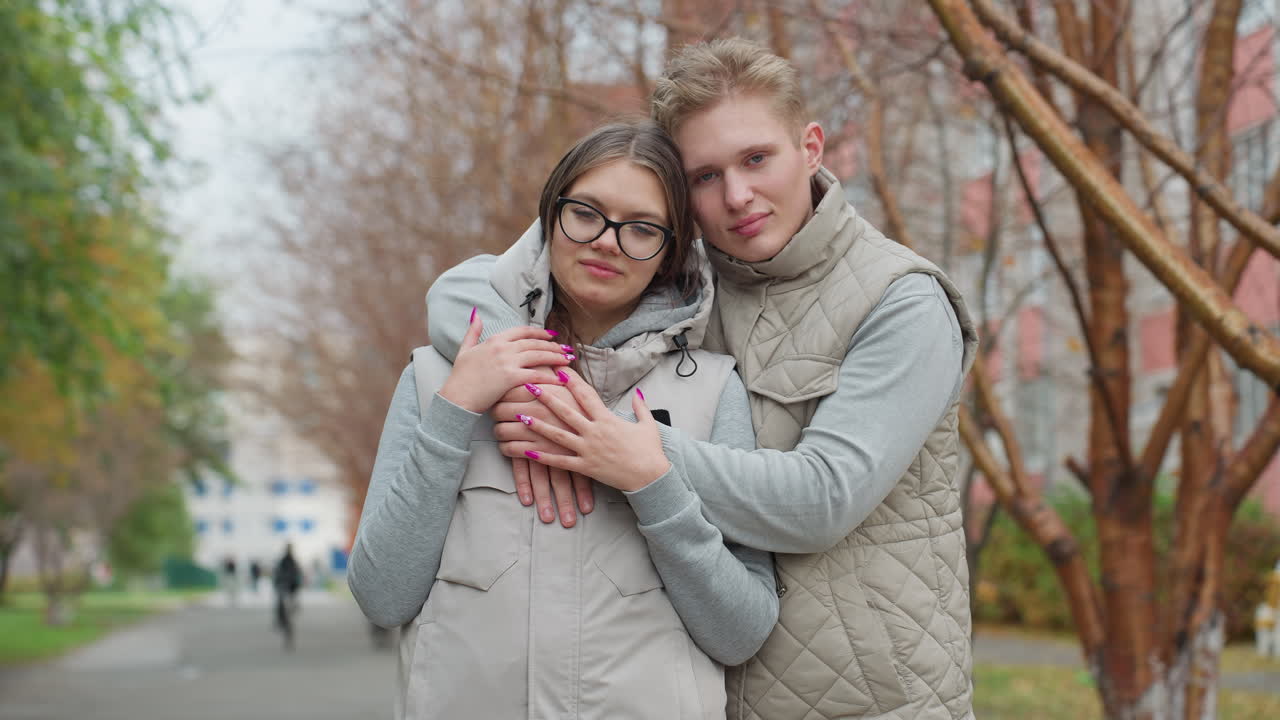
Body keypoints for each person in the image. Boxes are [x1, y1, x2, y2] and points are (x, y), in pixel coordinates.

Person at [425, 38, 978, 720]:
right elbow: (462, 291)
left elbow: (821, 500)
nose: (738, 196)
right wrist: (533, 390)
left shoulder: (902, 300)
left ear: (810, 147)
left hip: (870, 703)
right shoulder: (671, 273)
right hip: (704, 694)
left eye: (756, 159)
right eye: (705, 176)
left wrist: (619, 451)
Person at [348, 120, 779, 720]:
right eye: (587, 213)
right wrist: (454, 414)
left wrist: (652, 486)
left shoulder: (711, 391)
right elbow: (381, 595)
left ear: (668, 253)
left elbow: (741, 631)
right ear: (551, 217)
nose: (607, 241)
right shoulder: (436, 379)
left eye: (642, 228)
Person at [273, 543, 302, 651]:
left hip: (289, 591)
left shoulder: (292, 561)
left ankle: (288, 634)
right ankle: (287, 634)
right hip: (286, 591)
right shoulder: (285, 561)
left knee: (288, 615)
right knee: (287, 615)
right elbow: (279, 576)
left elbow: (297, 576)